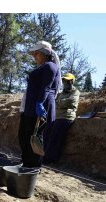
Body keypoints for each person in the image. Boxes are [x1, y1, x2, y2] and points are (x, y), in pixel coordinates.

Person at [18, 40, 61, 168]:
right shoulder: (43, 67)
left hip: (40, 108)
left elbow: (46, 87)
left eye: (36, 53)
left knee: (35, 139)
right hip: (30, 108)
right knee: (24, 137)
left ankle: (33, 168)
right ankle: (26, 164)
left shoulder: (50, 66)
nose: (34, 56)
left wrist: (40, 103)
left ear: (44, 53)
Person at [43, 73, 80, 164]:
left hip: (66, 117)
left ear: (72, 81)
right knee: (48, 134)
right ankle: (44, 155)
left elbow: (70, 102)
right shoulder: (61, 93)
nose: (65, 82)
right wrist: (60, 102)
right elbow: (56, 102)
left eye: (68, 81)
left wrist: (58, 102)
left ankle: (50, 159)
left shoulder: (75, 92)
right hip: (57, 116)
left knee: (55, 137)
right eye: (64, 81)